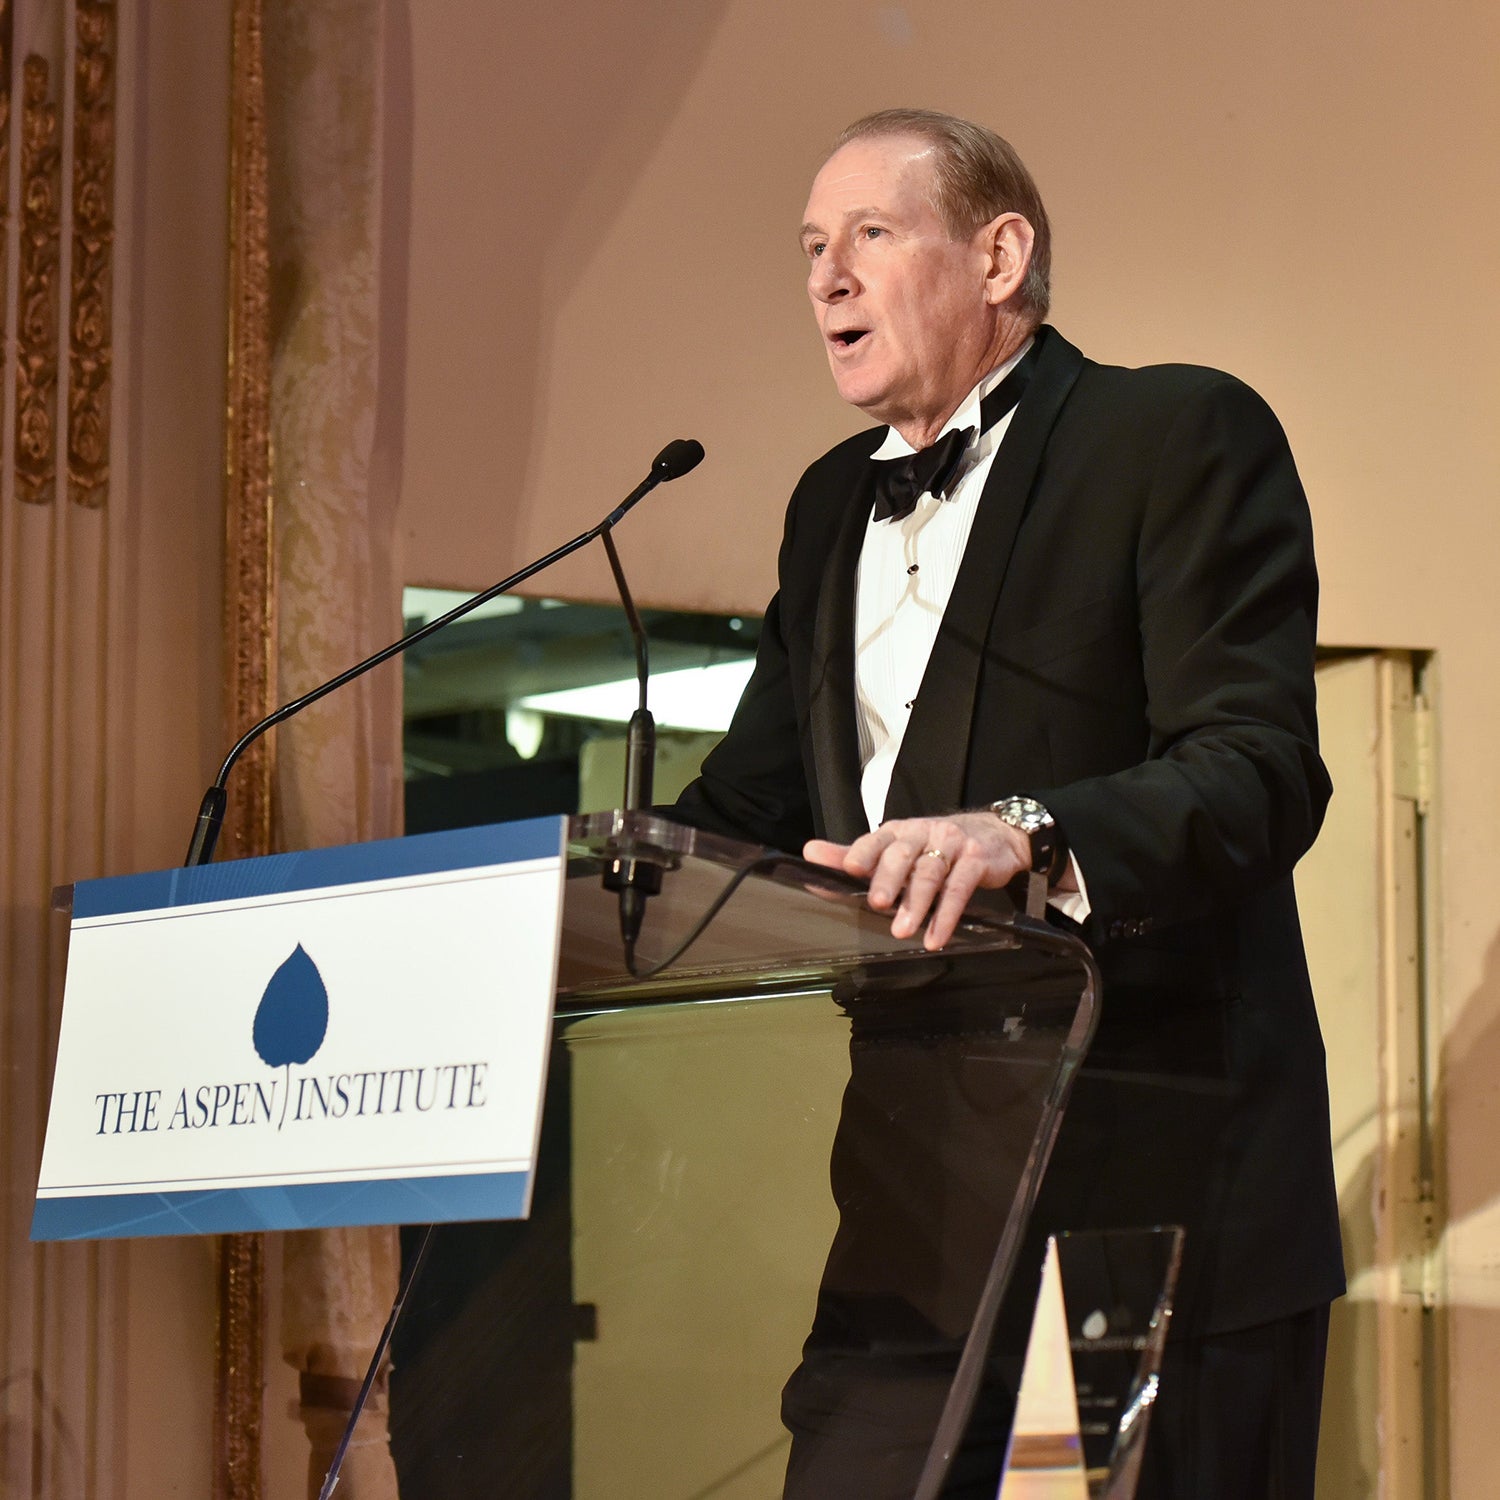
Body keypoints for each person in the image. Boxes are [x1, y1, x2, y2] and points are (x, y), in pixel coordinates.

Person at [672, 108, 1344, 1498]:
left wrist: (1026, 831)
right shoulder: (824, 511)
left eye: (868, 233)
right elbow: (742, 807)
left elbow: (1257, 769)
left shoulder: (1171, 434)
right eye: (810, 247)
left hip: (1149, 1187)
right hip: (913, 1215)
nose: (826, 277)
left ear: (999, 254)